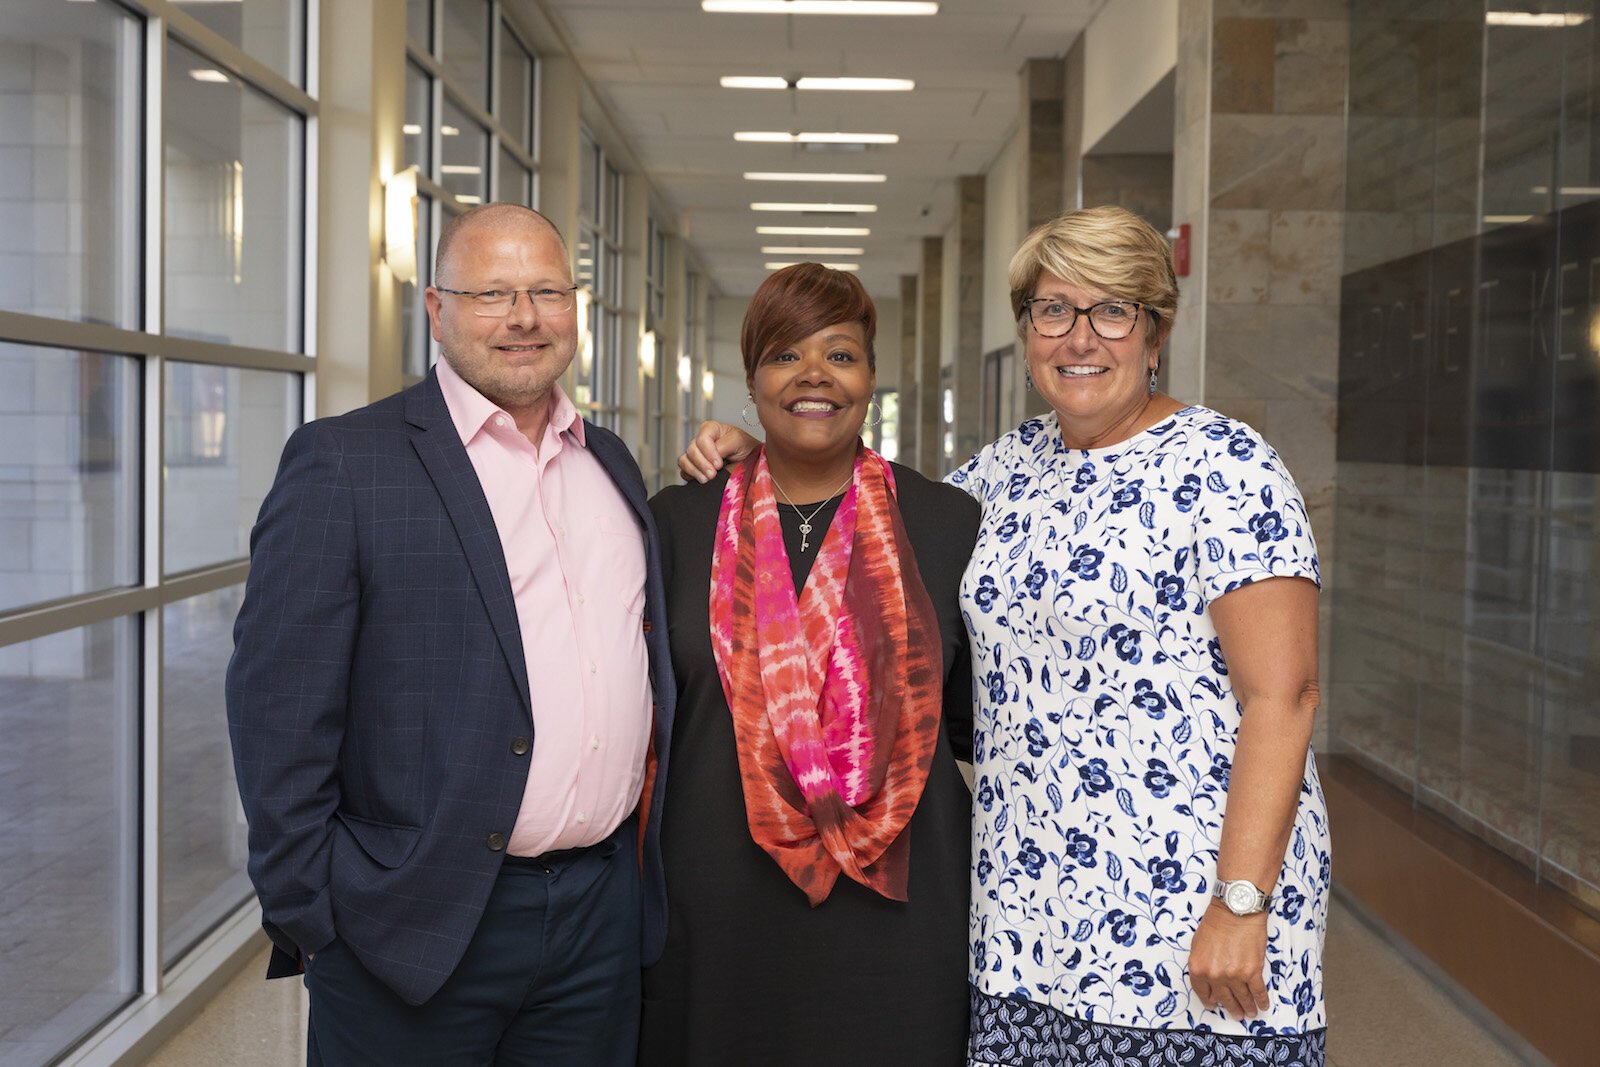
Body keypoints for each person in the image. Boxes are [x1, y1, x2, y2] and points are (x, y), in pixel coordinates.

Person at [680, 206, 1330, 1065]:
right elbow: (866, 521)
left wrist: (1241, 901)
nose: (1079, 337)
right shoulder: (1003, 472)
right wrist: (747, 455)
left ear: (1156, 330)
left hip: (1183, 915)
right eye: (1053, 311)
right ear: (1027, 333)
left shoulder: (1228, 466)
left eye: (1112, 310)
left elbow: (1284, 696)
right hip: (1024, 921)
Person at [227, 203, 675, 1067]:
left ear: (576, 308)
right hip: (413, 921)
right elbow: (277, 705)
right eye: (492, 293)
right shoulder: (347, 463)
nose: (524, 317)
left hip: (598, 919)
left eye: (547, 290)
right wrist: (313, 916)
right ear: (435, 308)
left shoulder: (609, 463)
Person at [640, 263, 977, 1065]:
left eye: (841, 354)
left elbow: (974, 722)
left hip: (900, 916)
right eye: (786, 355)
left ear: (869, 377)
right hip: (717, 906)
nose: (815, 375)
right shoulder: (676, 523)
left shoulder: (946, 521)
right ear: (751, 381)